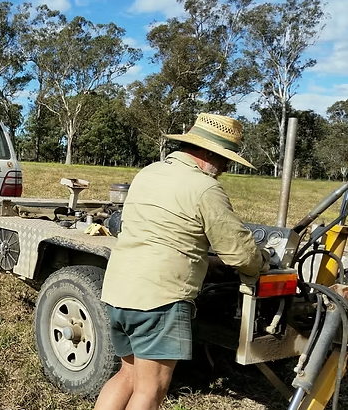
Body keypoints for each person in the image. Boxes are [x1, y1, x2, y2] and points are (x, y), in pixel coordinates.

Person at [93, 113, 273, 410]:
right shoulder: (205, 188)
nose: (226, 167)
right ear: (207, 153)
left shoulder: (149, 172)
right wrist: (263, 261)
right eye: (226, 159)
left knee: (127, 375)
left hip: (118, 292)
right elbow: (240, 254)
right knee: (151, 390)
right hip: (159, 300)